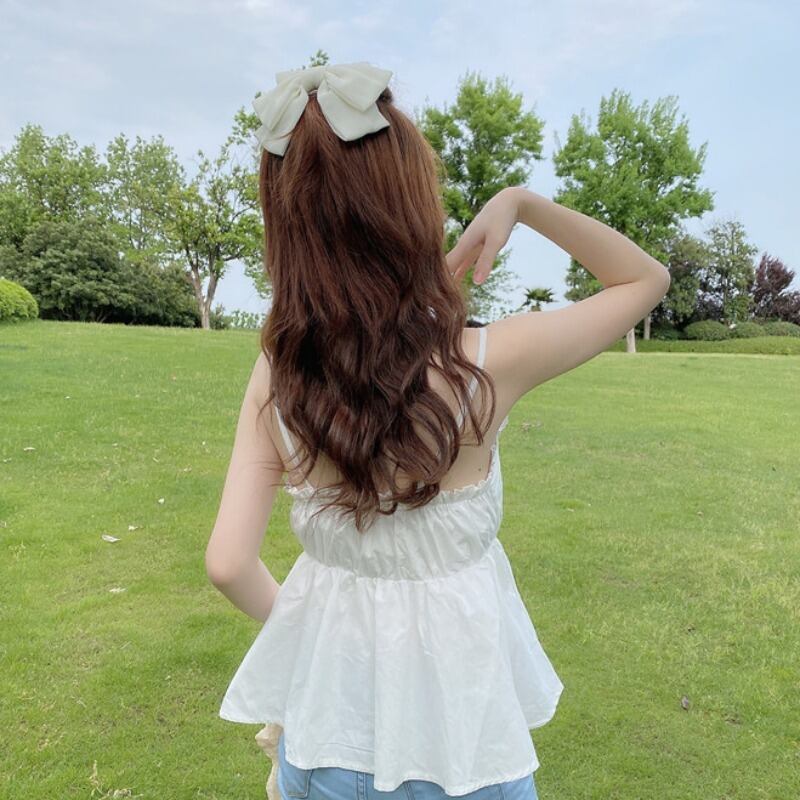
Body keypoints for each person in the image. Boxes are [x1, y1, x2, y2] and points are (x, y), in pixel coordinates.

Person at [205, 61, 671, 800]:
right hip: (465, 749)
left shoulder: (278, 373)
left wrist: (312, 628)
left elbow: (229, 563)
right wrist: (521, 203)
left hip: (324, 739)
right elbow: (644, 280)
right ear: (408, 205)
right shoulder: (487, 362)